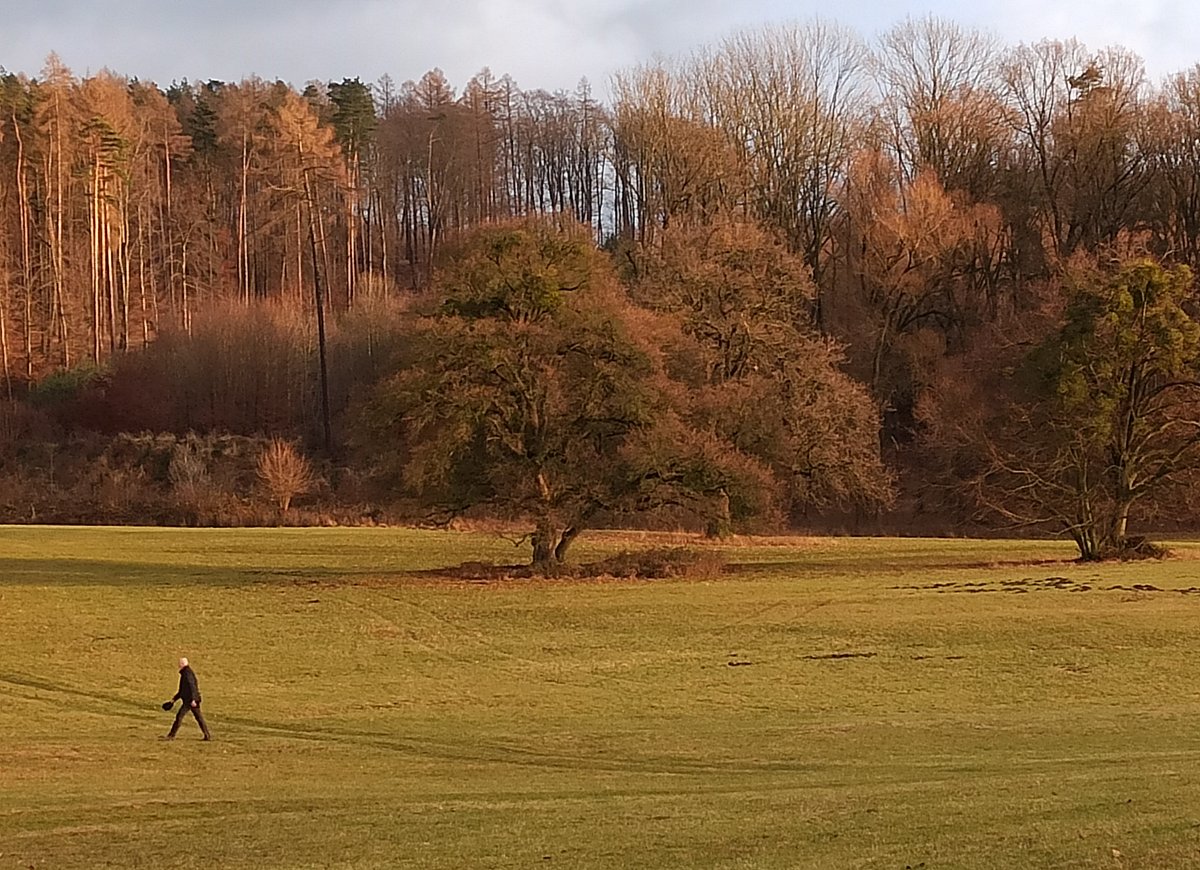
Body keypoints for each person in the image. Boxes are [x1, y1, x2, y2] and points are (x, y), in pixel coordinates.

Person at [163, 656, 211, 740]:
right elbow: (182, 690)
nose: (178, 665)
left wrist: (193, 699)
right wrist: (174, 700)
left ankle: (171, 735)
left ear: (182, 664)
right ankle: (207, 735)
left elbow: (192, 687)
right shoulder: (186, 673)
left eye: (179, 663)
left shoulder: (187, 674)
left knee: (179, 716)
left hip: (190, 701)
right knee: (199, 718)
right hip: (191, 700)